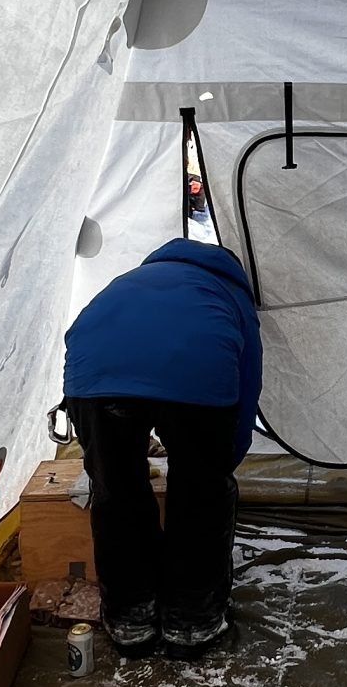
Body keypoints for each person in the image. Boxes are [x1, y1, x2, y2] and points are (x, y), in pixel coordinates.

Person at [62, 239, 262, 658]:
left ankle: (130, 619)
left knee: (116, 491)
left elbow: (84, 334)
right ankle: (193, 622)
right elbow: (247, 386)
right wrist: (221, 462)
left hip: (95, 375)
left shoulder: (136, 278)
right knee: (201, 495)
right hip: (196, 371)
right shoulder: (230, 292)